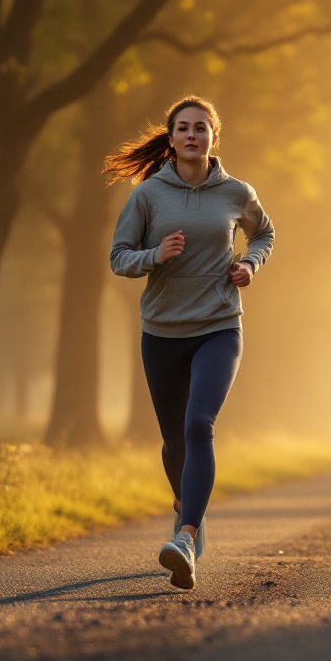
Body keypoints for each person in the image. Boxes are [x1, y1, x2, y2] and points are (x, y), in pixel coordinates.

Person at [105, 96, 274, 591]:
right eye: (184, 128)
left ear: (214, 137)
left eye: (201, 128)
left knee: (200, 424)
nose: (193, 135)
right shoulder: (148, 195)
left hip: (219, 325)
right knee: (174, 440)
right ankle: (187, 505)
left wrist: (249, 264)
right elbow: (118, 257)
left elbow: (264, 234)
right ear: (172, 137)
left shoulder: (237, 192)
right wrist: (156, 254)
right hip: (162, 332)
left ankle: (185, 535)